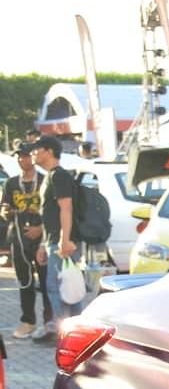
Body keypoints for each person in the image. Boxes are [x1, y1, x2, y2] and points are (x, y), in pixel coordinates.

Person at [27, 136, 83, 329]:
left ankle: (68, 331)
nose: (33, 154)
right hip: (53, 242)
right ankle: (72, 330)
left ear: (49, 151)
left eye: (36, 150)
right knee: (65, 288)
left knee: (62, 289)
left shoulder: (59, 175)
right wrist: (44, 244)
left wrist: (64, 240)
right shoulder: (49, 177)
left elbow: (66, 208)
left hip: (64, 243)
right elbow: (48, 216)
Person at [3, 141, 53, 340]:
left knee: (47, 281)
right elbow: (4, 205)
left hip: (42, 238)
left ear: (32, 157)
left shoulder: (44, 181)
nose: (22, 160)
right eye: (18, 156)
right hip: (18, 237)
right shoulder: (11, 183)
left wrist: (40, 229)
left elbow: (53, 211)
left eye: (25, 155)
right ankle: (28, 322)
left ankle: (49, 322)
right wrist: (5, 211)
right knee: (25, 281)